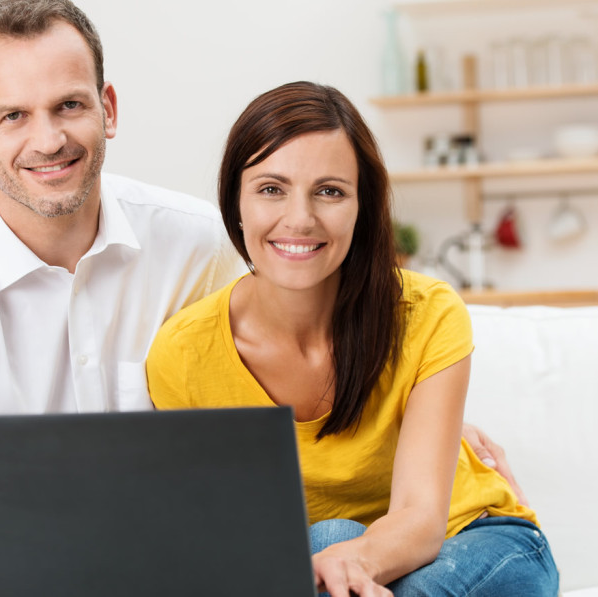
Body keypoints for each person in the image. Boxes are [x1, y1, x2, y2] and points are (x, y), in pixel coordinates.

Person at [0, 2, 526, 596]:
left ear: (107, 109)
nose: (48, 139)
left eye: (69, 105)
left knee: (330, 538)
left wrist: (423, 411)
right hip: (8, 552)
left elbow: (310, 291)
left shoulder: (197, 240)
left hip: (148, 552)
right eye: (14, 115)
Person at [146, 81, 560, 596]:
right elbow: (216, 534)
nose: (299, 219)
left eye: (330, 191)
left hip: (476, 541)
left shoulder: (426, 313)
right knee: (329, 537)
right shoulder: (184, 356)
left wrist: (348, 566)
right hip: (330, 556)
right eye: (272, 189)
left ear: (363, 206)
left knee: (367, 572)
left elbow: (420, 518)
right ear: (236, 202)